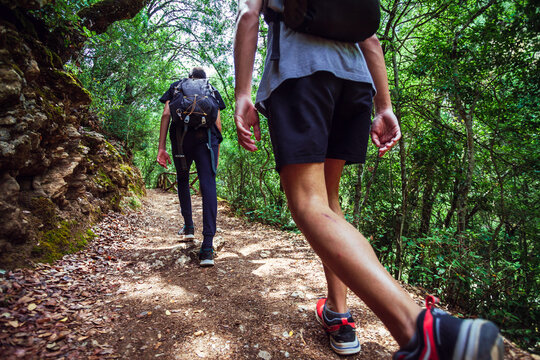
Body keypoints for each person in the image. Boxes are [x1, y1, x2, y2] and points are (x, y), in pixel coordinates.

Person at [233, 0, 504, 358]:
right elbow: (370, 36)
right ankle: (338, 314)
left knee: (307, 204)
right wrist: (385, 106)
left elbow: (249, 13)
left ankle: (423, 329)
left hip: (301, 75)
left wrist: (242, 93)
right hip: (355, 83)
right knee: (330, 203)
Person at [157, 66, 226, 267]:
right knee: (208, 185)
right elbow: (218, 124)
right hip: (207, 140)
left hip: (181, 139)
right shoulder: (211, 89)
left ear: (190, 78)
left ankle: (188, 227)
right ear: (204, 80)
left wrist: (161, 148)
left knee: (183, 179)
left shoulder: (177, 87)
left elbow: (165, 114)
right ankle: (207, 247)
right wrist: (216, 156)